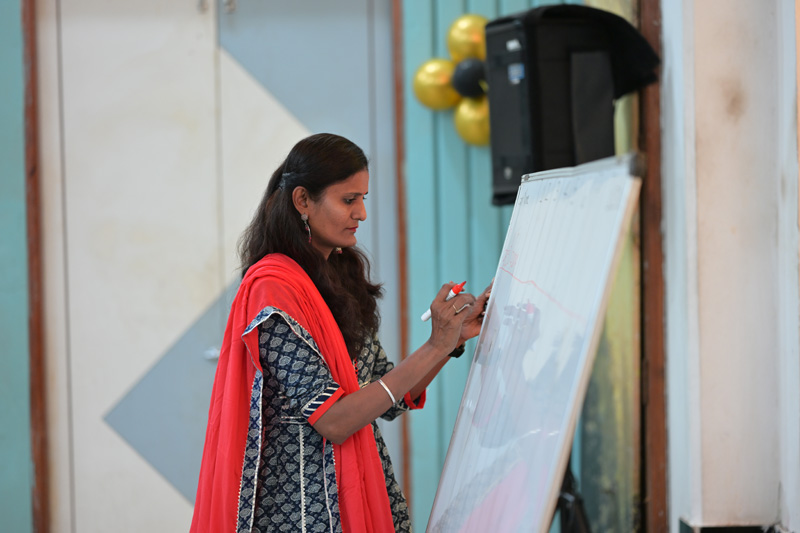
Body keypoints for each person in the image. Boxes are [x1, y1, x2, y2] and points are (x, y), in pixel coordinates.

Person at [191, 133, 490, 533]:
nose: (361, 213)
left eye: (363, 198)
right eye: (349, 200)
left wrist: (450, 342)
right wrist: (436, 345)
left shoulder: (339, 275)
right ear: (303, 201)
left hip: (359, 487)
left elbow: (385, 396)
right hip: (303, 506)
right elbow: (333, 419)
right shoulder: (273, 291)